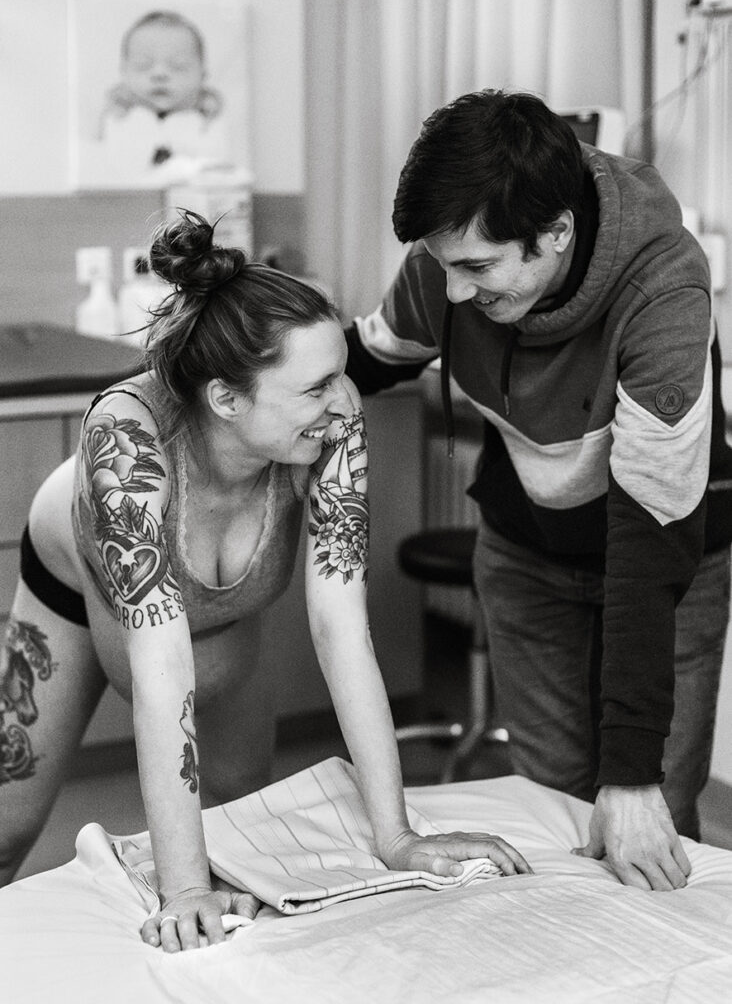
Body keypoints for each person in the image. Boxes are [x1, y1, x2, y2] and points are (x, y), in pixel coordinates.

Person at [0, 210, 530, 952]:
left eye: (342, 374)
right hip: (77, 582)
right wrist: (183, 891)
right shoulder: (127, 438)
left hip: (224, 608)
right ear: (226, 399)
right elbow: (159, 671)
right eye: (315, 387)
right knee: (8, 828)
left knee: (243, 820)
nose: (344, 402)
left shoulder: (332, 425)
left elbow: (342, 630)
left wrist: (398, 835)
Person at [345, 89, 732, 892]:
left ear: (556, 231)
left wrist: (632, 775)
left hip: (665, 564)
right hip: (526, 555)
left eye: (477, 269)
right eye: (444, 266)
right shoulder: (448, 262)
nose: (455, 293)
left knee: (653, 820)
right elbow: (365, 359)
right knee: (552, 815)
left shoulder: (663, 290)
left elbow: (649, 538)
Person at [97, 10, 231, 182]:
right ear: (124, 72)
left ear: (203, 74)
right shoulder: (117, 119)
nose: (159, 74)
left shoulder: (210, 123)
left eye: (178, 66)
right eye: (143, 65)